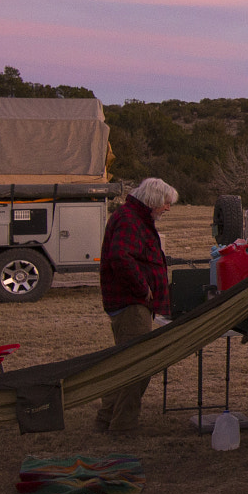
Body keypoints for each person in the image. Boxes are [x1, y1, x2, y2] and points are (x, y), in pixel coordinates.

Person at [95, 177, 178, 434]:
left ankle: (106, 418)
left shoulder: (134, 217)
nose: (167, 208)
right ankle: (123, 425)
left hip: (132, 304)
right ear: (153, 201)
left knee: (124, 363)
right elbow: (120, 256)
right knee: (138, 366)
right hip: (131, 304)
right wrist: (143, 288)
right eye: (165, 203)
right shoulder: (130, 220)